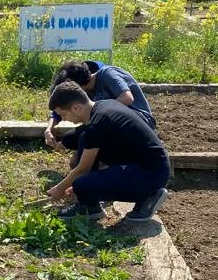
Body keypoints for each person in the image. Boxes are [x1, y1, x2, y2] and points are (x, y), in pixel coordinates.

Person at [45, 81, 170, 222]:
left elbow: (82, 170)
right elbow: (80, 135)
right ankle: (89, 203)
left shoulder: (97, 124)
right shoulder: (104, 106)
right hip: (150, 164)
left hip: (151, 174)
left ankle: (149, 195)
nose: (63, 119)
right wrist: (63, 142)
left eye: (63, 114)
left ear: (75, 108)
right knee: (83, 138)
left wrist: (60, 189)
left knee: (81, 184)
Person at [44, 60, 155, 161]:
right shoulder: (86, 93)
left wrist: (99, 115)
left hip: (140, 120)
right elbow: (61, 109)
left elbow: (127, 98)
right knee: (78, 136)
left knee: (89, 131)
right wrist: (49, 129)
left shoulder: (107, 74)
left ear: (76, 85)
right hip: (116, 125)